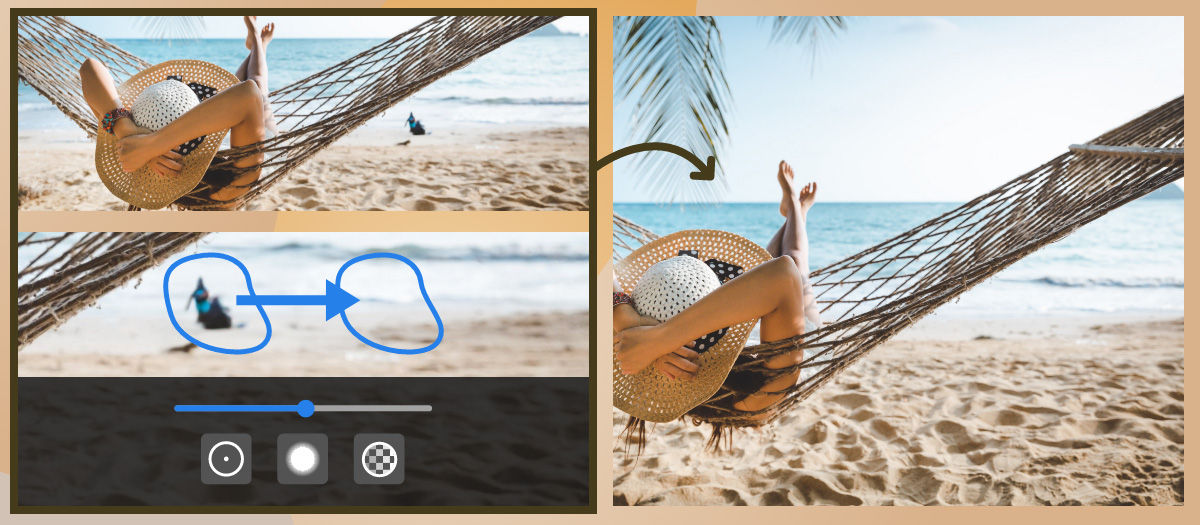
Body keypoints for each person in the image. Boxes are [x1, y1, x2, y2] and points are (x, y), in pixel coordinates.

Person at [613, 160, 820, 415]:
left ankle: (792, 213)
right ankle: (797, 209)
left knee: (765, 266)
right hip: (798, 339)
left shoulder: (633, 357)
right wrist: (659, 339)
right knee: (797, 261)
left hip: (741, 320)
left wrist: (626, 320)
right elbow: (784, 273)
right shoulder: (759, 393)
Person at [79, 16, 277, 206]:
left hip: (215, 116)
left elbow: (89, 68)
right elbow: (249, 94)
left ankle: (256, 45)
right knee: (258, 84)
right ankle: (258, 43)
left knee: (239, 83)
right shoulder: (228, 189)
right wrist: (150, 146)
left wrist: (128, 132)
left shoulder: (128, 151)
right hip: (250, 136)